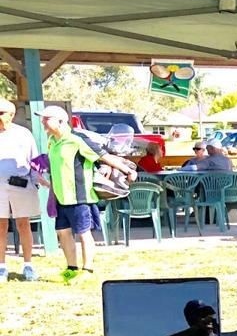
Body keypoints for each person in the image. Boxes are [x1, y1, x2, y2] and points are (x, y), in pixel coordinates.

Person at [40, 105, 137, 281]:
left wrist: (127, 170)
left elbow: (103, 156)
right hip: (61, 198)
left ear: (61, 121)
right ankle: (71, 269)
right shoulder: (52, 141)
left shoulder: (77, 139)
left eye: (47, 119)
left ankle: (88, 270)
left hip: (80, 197)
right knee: (63, 233)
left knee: (84, 233)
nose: (43, 122)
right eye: (43, 118)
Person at [0, 97, 40, 281]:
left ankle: (28, 265)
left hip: (21, 184)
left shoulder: (23, 134)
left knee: (23, 224)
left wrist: (37, 182)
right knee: (1, 226)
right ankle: (2, 267)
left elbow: (35, 160)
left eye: (1, 113)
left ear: (11, 115)